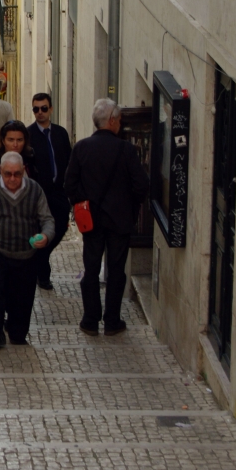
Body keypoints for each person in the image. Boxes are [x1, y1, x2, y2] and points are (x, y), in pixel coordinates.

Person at [64, 98, 149, 336]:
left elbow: (69, 184)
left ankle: (90, 320)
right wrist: (130, 208)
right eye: (119, 120)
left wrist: (84, 205)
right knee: (116, 271)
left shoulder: (81, 148)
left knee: (90, 270)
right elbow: (141, 184)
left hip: (91, 221)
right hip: (119, 221)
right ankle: (112, 321)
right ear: (112, 121)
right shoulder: (126, 149)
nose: (120, 124)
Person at [0, 151, 55, 348]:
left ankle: (16, 331)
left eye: (17, 174)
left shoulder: (34, 190)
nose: (12, 179)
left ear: (24, 171)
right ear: (1, 171)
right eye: (8, 174)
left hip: (26, 255)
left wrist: (46, 235)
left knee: (22, 304)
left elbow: (47, 219)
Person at [27, 93, 73, 290]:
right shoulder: (28, 135)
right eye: (36, 109)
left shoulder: (61, 133)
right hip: (39, 195)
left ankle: (40, 258)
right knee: (42, 232)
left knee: (60, 228)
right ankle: (43, 275)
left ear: (51, 109)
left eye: (43, 108)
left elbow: (69, 162)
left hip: (59, 192)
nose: (40, 113)